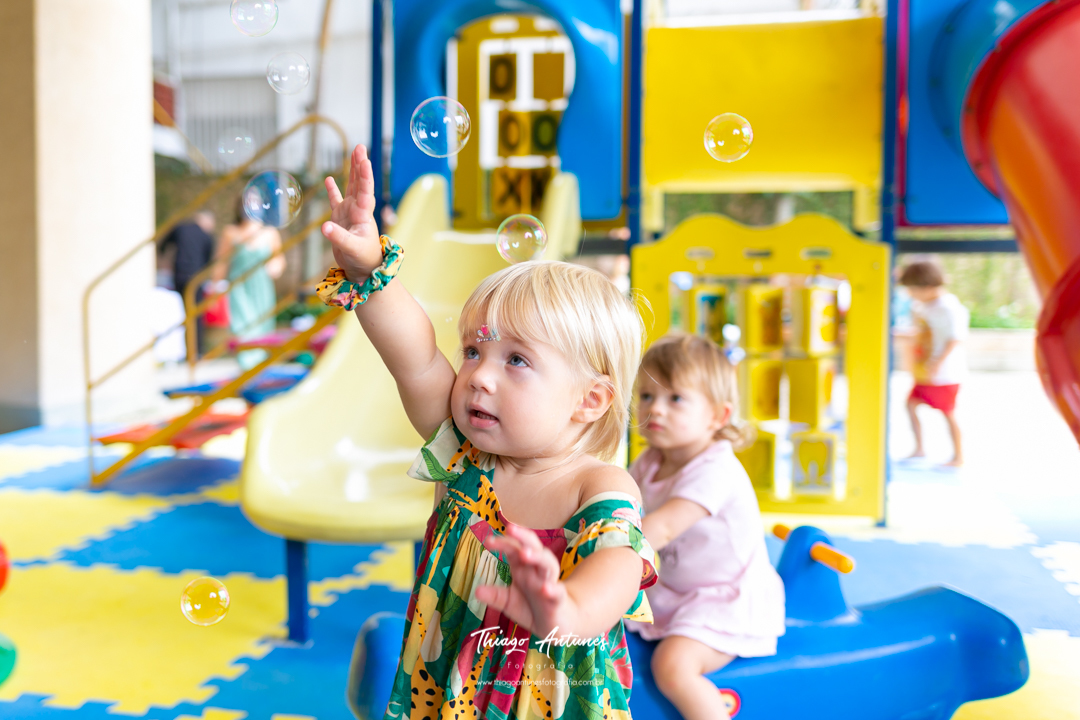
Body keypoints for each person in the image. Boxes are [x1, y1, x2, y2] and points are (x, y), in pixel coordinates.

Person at [317, 145, 659, 720]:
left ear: (590, 400)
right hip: (444, 691)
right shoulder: (464, 454)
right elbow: (415, 358)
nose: (479, 376)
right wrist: (367, 268)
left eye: (516, 360)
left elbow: (619, 567)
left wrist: (567, 611)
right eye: (474, 351)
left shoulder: (598, 485)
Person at [624, 333, 785, 720]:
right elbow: (619, 507)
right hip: (676, 590)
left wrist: (597, 547)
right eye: (647, 395)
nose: (655, 409)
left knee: (672, 667)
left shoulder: (716, 469)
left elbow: (661, 528)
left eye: (675, 398)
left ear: (718, 416)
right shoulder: (650, 460)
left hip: (725, 598)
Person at [898, 260, 969, 467]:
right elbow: (921, 332)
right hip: (925, 371)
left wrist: (937, 363)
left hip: (944, 374)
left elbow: (956, 338)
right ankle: (919, 449)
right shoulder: (923, 307)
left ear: (928, 286)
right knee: (911, 404)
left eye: (913, 289)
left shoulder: (949, 307)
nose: (911, 294)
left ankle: (958, 456)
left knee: (948, 413)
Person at [214, 197, 285, 369]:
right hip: (238, 289)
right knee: (242, 327)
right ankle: (247, 368)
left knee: (262, 328)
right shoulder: (231, 232)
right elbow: (221, 263)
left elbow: (279, 260)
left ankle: (259, 368)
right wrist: (215, 288)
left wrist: (275, 267)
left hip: (262, 289)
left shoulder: (270, 233)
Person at [160, 210, 216, 353]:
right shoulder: (206, 236)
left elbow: (163, 245)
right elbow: (208, 261)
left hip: (179, 275)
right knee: (196, 314)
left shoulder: (181, 228)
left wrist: (163, 259)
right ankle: (196, 350)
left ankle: (179, 350)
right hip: (196, 278)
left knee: (180, 312)